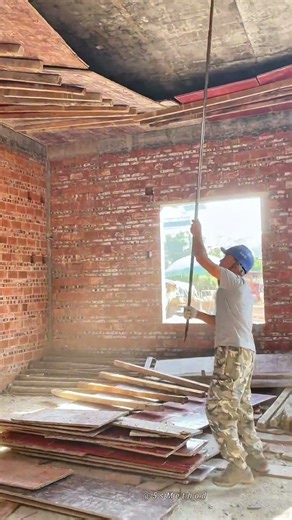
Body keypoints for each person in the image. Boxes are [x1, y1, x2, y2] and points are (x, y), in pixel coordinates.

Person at [184, 220, 268, 487]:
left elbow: (201, 257)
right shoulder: (236, 290)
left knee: (218, 410)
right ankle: (256, 458)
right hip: (244, 353)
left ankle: (238, 466)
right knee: (241, 409)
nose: (221, 259)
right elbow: (221, 322)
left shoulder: (232, 281)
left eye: (226, 256)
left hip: (232, 354)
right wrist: (196, 315)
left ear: (236, 265)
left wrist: (198, 234)